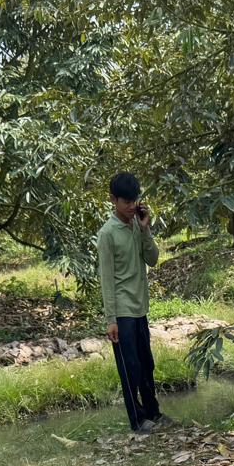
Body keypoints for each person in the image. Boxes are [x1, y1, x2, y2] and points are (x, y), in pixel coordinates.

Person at [97, 171, 163, 434]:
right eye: (126, 202)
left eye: (135, 200)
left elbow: (154, 258)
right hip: (122, 311)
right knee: (130, 368)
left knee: (147, 364)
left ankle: (153, 413)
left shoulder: (138, 224)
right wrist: (110, 319)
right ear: (113, 200)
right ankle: (137, 421)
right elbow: (106, 279)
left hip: (140, 308)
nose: (132, 206)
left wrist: (146, 230)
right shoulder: (107, 233)